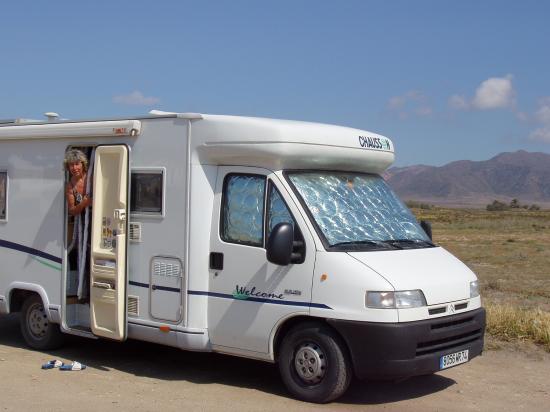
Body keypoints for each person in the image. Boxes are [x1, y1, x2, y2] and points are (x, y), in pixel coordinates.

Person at [64, 149, 92, 215]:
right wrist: (83, 203)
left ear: (83, 164)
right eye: (71, 165)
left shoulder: (91, 177)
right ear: (68, 167)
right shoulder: (70, 186)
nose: (74, 168)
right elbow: (72, 211)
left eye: (77, 164)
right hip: (83, 221)